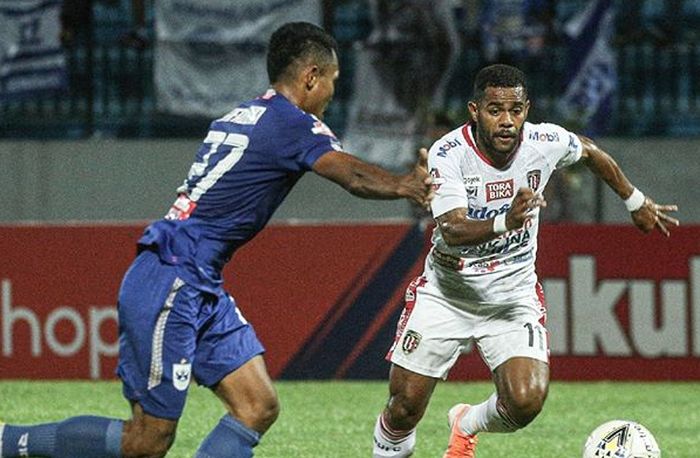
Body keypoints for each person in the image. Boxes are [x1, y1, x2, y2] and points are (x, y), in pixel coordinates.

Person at [0, 22, 432, 458]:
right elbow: (351, 174)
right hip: (173, 275)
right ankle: (8, 440)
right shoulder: (292, 123)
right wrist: (403, 186)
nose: (331, 95)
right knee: (146, 441)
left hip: (195, 276)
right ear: (311, 77)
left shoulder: (246, 113)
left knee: (256, 406)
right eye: (333, 82)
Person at [371, 63, 679, 458]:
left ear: (527, 109)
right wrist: (506, 220)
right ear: (474, 110)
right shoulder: (449, 154)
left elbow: (589, 151)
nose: (507, 121)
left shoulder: (543, 141)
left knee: (525, 402)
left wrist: (634, 200)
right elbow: (452, 230)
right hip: (448, 295)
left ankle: (466, 422)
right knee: (404, 408)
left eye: (516, 110)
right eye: (495, 110)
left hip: (512, 298)